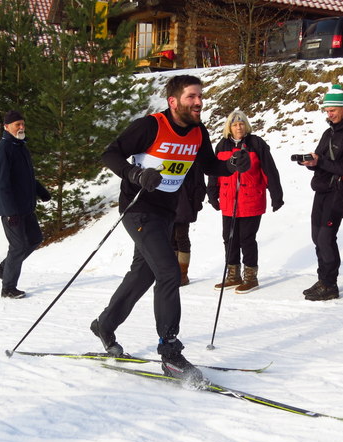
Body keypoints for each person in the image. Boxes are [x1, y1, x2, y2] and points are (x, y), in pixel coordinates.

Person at [93, 75, 250, 382]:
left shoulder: (198, 131)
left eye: (200, 96)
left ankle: (105, 325)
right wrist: (135, 174)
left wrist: (232, 165)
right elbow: (110, 153)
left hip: (166, 212)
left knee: (144, 273)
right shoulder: (150, 126)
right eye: (192, 97)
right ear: (173, 101)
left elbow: (209, 165)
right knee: (168, 272)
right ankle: (170, 353)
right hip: (139, 209)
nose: (199, 102)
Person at [207, 110, 284, 294]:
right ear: (229, 127)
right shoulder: (222, 145)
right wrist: (212, 193)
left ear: (246, 125)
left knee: (247, 239)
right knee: (229, 238)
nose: (239, 127)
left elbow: (269, 170)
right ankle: (233, 275)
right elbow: (215, 171)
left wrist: (276, 195)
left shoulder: (256, 144)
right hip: (229, 200)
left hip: (251, 199)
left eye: (241, 123)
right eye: (235, 124)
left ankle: (251, 277)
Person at [300, 85, 343, 301]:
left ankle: (330, 284)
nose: (330, 114)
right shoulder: (329, 133)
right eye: (327, 111)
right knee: (316, 236)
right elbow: (320, 159)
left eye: (333, 110)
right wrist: (311, 162)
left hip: (339, 191)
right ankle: (323, 279)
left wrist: (320, 161)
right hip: (322, 188)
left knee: (326, 237)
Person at [0, 110, 51, 299]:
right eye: (17, 124)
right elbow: (2, 183)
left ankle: (3, 268)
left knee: (35, 239)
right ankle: (8, 288)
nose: (21, 127)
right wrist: (10, 212)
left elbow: (27, 177)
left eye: (23, 124)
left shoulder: (21, 146)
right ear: (6, 127)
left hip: (26, 207)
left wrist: (41, 191)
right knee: (17, 246)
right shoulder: (3, 149)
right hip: (12, 210)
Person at [172, 165, 205, 286]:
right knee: (170, 238)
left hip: (185, 202)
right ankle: (173, 272)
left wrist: (196, 202)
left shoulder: (192, 158)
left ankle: (182, 274)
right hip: (170, 201)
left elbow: (199, 183)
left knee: (181, 237)